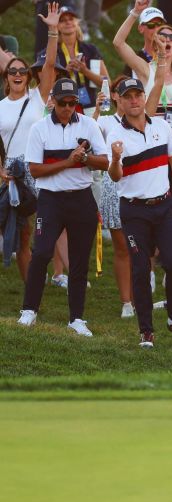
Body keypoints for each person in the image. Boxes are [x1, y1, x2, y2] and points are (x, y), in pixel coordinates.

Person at [107, 78, 172, 349]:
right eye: (128, 96)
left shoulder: (162, 126)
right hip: (134, 210)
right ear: (119, 101)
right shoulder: (115, 135)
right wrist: (115, 158)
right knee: (141, 269)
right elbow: (115, 176)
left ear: (144, 97)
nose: (134, 100)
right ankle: (146, 330)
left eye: (137, 95)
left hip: (165, 205)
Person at [114, 3, 172, 267]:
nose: (166, 40)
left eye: (171, 37)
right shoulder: (145, 68)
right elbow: (119, 43)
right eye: (161, 36)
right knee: (150, 188)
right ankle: (148, 259)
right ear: (153, 39)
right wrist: (134, 13)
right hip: (148, 128)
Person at [18, 78, 109, 335]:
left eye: (72, 103)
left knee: (80, 260)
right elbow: (34, 169)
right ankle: (29, 310)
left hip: (81, 197)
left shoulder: (89, 125)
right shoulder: (40, 129)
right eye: (62, 103)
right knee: (42, 253)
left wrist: (85, 158)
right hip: (51, 199)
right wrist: (68, 162)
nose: (68, 108)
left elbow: (104, 162)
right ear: (53, 101)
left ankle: (76, 318)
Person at [0, 2, 60, 282]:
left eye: (22, 71)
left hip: (36, 168)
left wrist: (53, 32)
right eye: (12, 71)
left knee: (34, 233)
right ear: (6, 77)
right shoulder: (0, 107)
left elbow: (49, 65)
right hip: (9, 172)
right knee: (14, 232)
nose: (17, 75)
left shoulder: (36, 99)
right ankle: (27, 291)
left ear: (27, 76)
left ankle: (34, 289)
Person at [93, 76, 134, 319]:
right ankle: (126, 302)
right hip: (113, 186)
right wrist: (97, 110)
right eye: (123, 93)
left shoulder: (142, 120)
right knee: (122, 248)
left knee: (142, 246)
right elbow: (88, 136)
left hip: (140, 184)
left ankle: (141, 297)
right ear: (115, 96)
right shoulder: (107, 121)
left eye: (133, 94)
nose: (128, 98)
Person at [53, 4, 110, 116]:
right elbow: (45, 87)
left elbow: (107, 82)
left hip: (90, 107)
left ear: (77, 22)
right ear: (57, 26)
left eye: (71, 19)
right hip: (63, 107)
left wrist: (85, 71)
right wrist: (65, 72)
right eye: (63, 20)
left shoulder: (90, 50)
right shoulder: (52, 52)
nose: (68, 22)